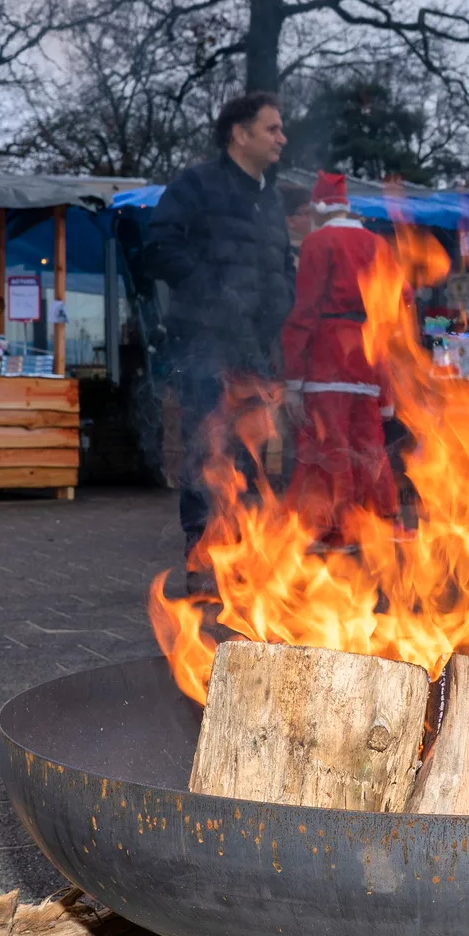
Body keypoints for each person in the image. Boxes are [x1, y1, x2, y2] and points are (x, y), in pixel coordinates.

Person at [142, 92, 293, 589]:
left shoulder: (270, 198)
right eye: (271, 129)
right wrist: (214, 295)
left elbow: (278, 267)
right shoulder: (196, 185)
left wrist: (282, 309)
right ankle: (203, 560)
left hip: (254, 348)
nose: (281, 138)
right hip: (203, 343)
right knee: (208, 448)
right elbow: (159, 247)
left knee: (247, 454)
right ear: (240, 133)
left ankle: (236, 556)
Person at [280, 172, 396, 543]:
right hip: (367, 357)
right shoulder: (377, 244)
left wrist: (293, 375)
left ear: (318, 209)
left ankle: (334, 528)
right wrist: (386, 384)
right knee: (368, 446)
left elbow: (305, 310)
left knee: (328, 448)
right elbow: (400, 299)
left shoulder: (317, 243)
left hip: (326, 359)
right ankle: (380, 521)